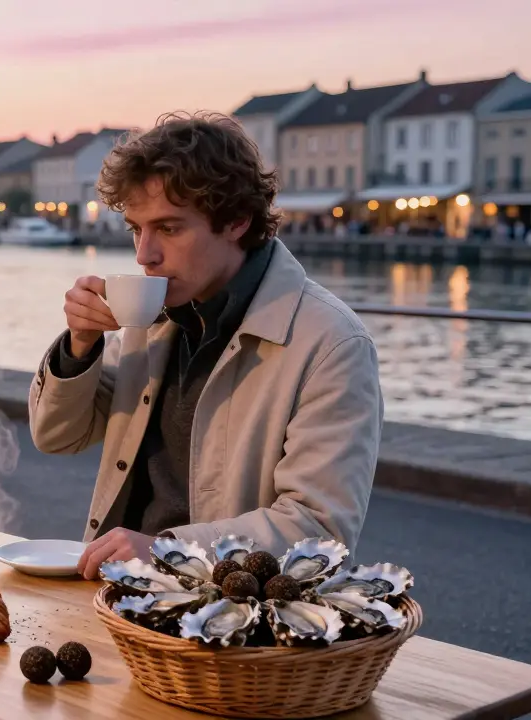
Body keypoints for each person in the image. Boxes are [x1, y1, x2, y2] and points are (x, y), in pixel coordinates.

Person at [27, 112, 383, 580]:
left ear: (236, 220)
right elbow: (57, 436)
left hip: (232, 622)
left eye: (169, 228)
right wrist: (81, 345)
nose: (144, 254)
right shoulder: (151, 316)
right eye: (137, 228)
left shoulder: (331, 342)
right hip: (120, 596)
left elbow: (319, 530)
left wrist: (168, 551)